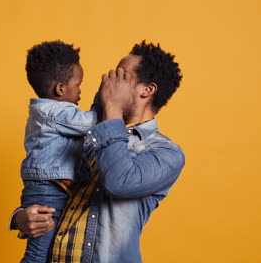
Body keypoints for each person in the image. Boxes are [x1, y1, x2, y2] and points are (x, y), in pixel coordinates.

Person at [10, 41, 185, 263]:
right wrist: (20, 218)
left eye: (121, 76)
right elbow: (51, 187)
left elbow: (118, 181)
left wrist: (112, 108)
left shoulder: (166, 153)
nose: (109, 80)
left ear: (147, 90)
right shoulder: (86, 131)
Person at [17, 40, 98, 263]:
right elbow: (90, 123)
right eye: (78, 84)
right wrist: (106, 100)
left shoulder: (48, 111)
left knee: (47, 252)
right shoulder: (53, 112)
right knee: (37, 256)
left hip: (49, 188)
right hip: (47, 191)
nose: (80, 90)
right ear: (60, 89)